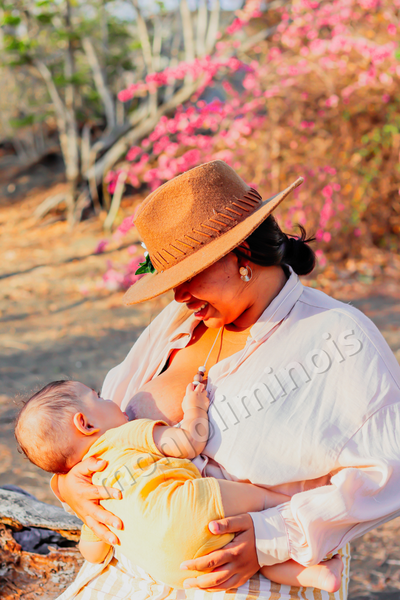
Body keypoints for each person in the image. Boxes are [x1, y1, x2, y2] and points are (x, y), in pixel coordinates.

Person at [51, 161, 400, 600]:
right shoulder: (176, 324)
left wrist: (269, 537)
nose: (177, 295)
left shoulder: (337, 337)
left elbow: (386, 471)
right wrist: (69, 484)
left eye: (188, 275)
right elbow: (103, 431)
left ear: (242, 254)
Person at [15, 380, 343, 592]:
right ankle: (299, 505)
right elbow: (188, 443)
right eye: (98, 397)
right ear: (86, 423)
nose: (111, 399)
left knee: (246, 560)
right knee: (260, 500)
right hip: (188, 504)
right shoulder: (125, 435)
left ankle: (314, 575)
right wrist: (194, 408)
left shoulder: (89, 494)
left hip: (174, 567)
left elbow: (93, 552)